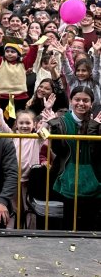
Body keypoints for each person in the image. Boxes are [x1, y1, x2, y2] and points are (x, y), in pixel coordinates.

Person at [45, 86, 101, 231]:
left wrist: (94, 128)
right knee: (69, 223)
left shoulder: (96, 122)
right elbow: (58, 150)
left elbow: (96, 152)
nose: (81, 103)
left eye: (85, 100)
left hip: (92, 177)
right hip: (68, 175)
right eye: (77, 99)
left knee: (91, 223)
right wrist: (55, 127)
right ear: (71, 101)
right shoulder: (61, 121)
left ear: (92, 103)